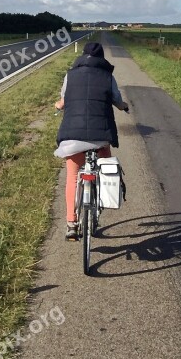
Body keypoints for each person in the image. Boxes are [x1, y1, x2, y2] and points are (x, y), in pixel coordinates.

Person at [54, 41, 129, 240]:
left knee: (72, 176)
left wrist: (58, 105)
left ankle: (71, 223)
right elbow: (117, 100)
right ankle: (101, 200)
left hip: (73, 136)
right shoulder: (107, 76)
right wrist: (124, 107)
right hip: (100, 136)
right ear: (101, 59)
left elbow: (63, 101)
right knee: (105, 163)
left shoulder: (70, 76)